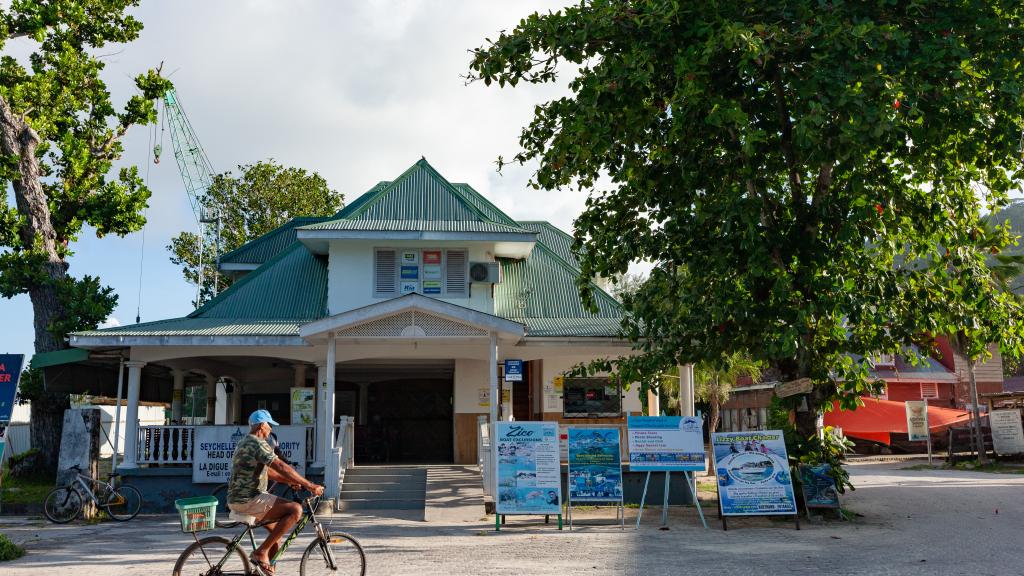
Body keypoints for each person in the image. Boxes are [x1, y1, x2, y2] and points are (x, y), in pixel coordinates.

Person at [228, 410, 324, 575]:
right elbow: (280, 466)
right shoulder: (258, 443)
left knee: (276, 536)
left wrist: (293, 481)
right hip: (250, 499)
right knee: (295, 510)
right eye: (269, 425)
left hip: (237, 499)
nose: (270, 429)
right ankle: (260, 553)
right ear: (261, 425)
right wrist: (309, 485)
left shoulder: (244, 442)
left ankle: (266, 571)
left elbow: (270, 473)